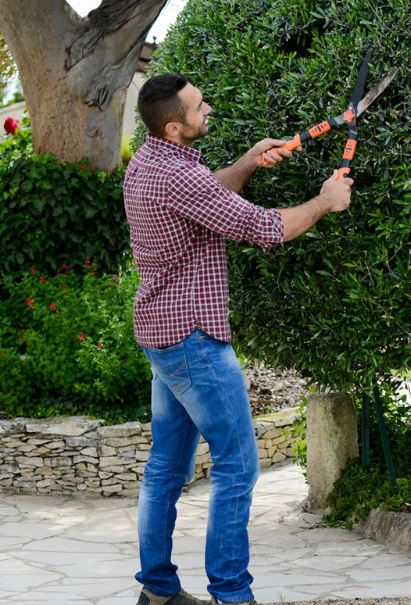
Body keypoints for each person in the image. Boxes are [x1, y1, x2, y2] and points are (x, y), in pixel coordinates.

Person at [123, 73, 352, 605]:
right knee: (238, 464)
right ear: (175, 126)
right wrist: (324, 201)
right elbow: (265, 229)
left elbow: (205, 198)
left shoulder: (152, 161)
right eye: (200, 107)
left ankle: (156, 591)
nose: (210, 110)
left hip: (162, 333)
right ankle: (232, 595)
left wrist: (249, 161)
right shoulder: (177, 175)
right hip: (193, 339)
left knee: (165, 465)